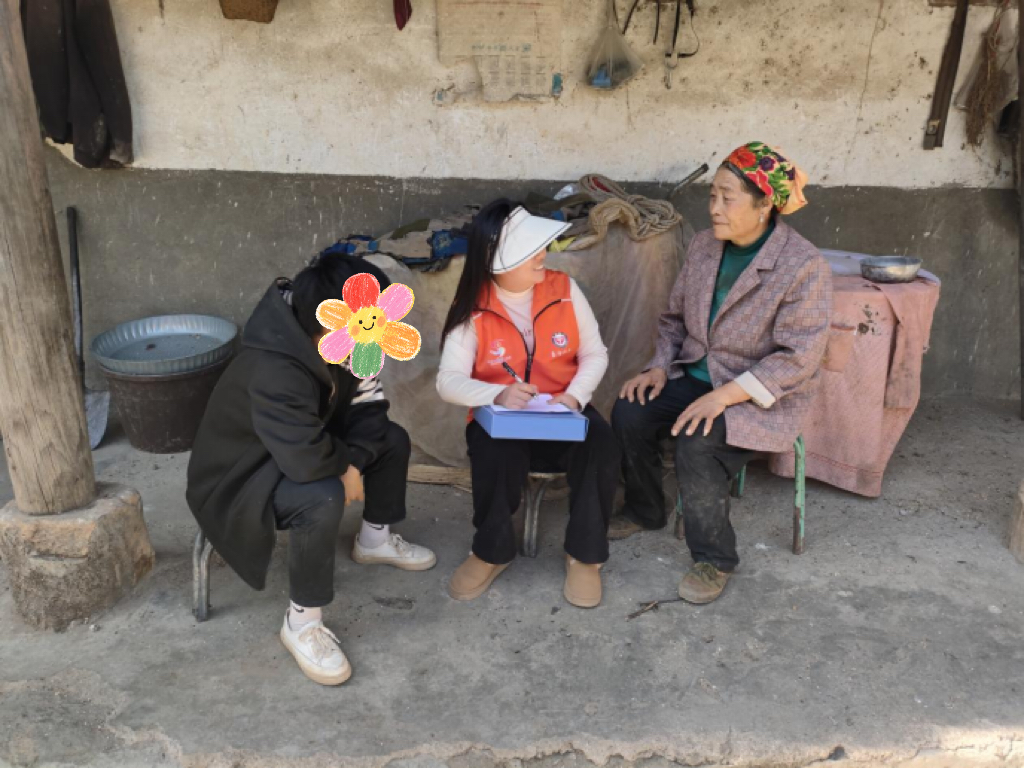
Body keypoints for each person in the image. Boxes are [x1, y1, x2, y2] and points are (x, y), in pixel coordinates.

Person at [186, 253, 435, 687]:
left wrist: (353, 460)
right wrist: (346, 469)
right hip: (240, 477)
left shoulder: (354, 343)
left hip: (299, 446)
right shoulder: (273, 368)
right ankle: (302, 623)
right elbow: (304, 460)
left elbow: (369, 407)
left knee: (391, 438)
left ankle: (374, 540)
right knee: (322, 495)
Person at [611, 141, 832, 605]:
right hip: (695, 375)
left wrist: (724, 396)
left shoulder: (803, 264)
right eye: (712, 195)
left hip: (756, 395)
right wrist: (658, 367)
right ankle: (645, 508)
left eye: (727, 198)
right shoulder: (704, 246)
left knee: (697, 441)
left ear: (764, 204)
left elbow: (798, 356)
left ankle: (714, 558)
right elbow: (674, 319)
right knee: (630, 409)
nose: (714, 208)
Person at [436, 200, 619, 608]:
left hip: (562, 408)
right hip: (501, 418)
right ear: (497, 260)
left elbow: (595, 354)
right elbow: (448, 381)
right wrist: (497, 394)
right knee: (494, 454)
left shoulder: (564, 289)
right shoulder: (473, 306)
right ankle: (490, 552)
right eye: (531, 250)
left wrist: (574, 397)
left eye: (542, 247)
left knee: (601, 444)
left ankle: (585, 555)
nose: (543, 256)